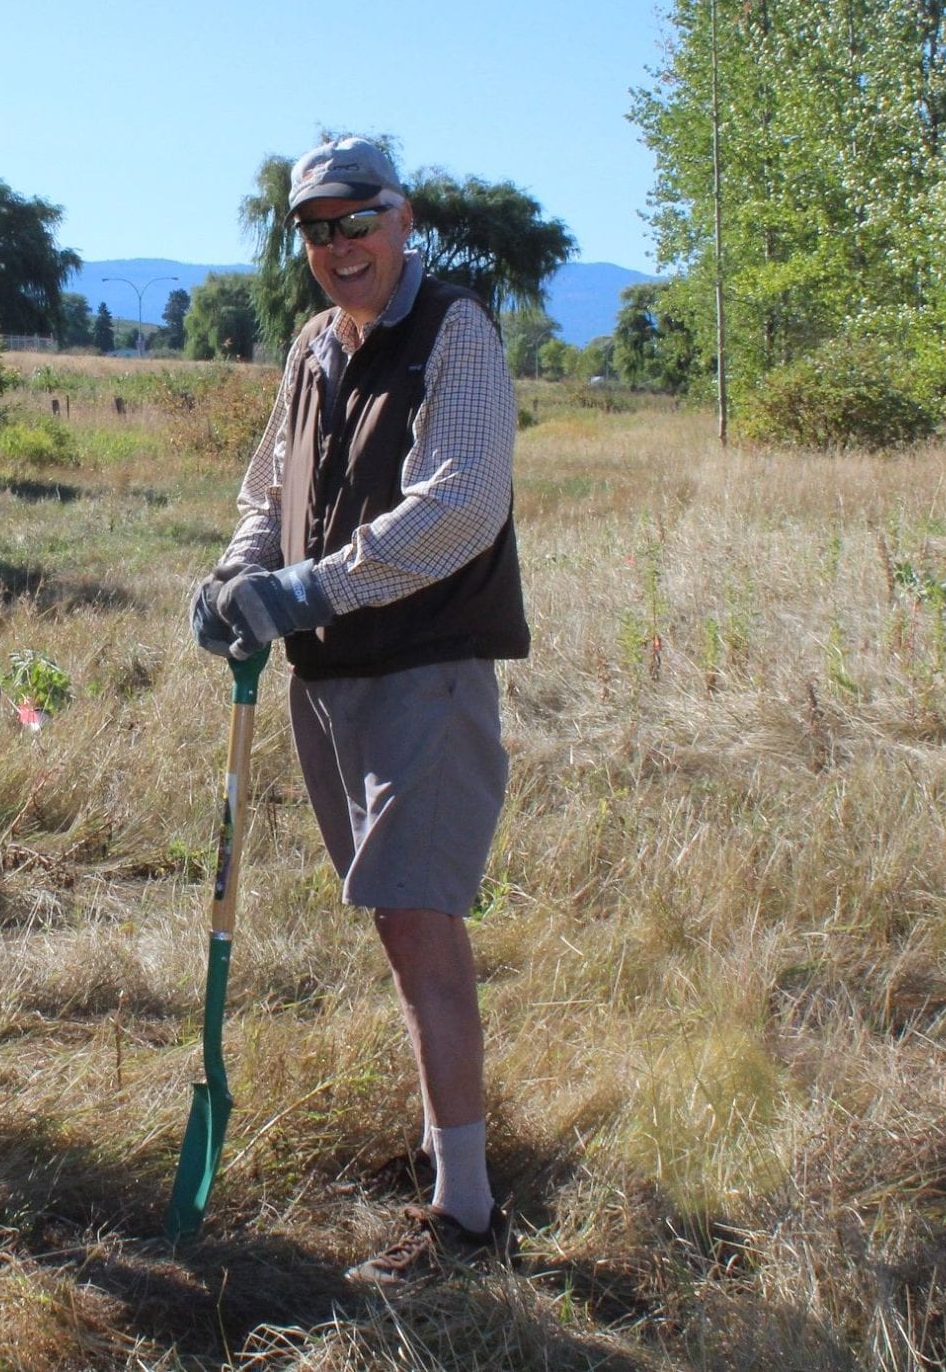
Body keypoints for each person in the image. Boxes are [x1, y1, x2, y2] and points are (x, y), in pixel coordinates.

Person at [191, 136, 528, 1285]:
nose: (338, 246)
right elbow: (266, 488)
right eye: (315, 228)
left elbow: (459, 506)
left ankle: (468, 1221)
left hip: (422, 672)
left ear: (404, 218)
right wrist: (240, 577)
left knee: (419, 920)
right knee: (397, 922)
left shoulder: (455, 332)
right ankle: (447, 1152)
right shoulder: (310, 351)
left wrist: (309, 588)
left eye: (358, 220)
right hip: (327, 678)